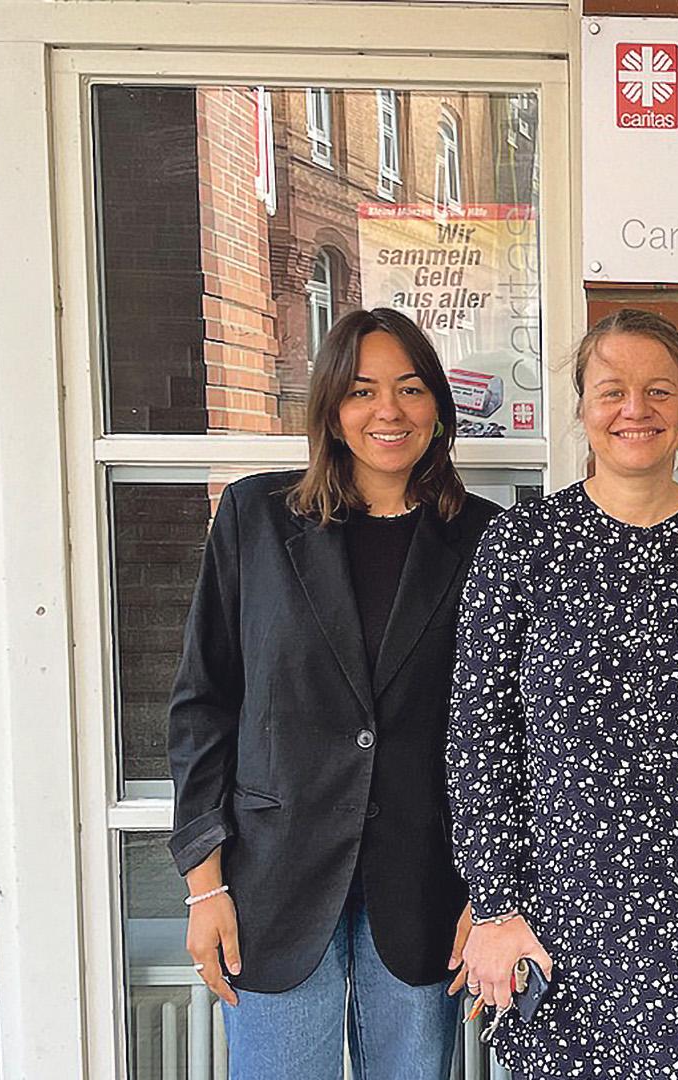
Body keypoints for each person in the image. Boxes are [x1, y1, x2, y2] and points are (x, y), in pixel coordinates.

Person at [447, 308, 678, 1078]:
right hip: (572, 898)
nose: (634, 410)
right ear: (582, 408)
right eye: (611, 390)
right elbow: (480, 740)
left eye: (658, 390)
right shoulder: (522, 547)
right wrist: (496, 902)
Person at [168, 308, 500, 1078]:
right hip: (270, 886)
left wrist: (492, 890)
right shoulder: (255, 517)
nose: (389, 411)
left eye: (412, 389)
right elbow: (202, 706)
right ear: (330, 407)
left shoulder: (486, 538)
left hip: (425, 885)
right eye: (362, 390)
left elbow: (506, 731)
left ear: (440, 410)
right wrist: (202, 887)